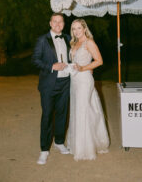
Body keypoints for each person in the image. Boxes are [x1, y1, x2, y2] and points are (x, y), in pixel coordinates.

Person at [67, 19, 109, 160]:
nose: (77, 31)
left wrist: (84, 68)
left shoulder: (89, 42)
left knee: (83, 110)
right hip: (74, 81)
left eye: (79, 28)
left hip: (85, 80)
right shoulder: (73, 43)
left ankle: (85, 148)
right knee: (77, 109)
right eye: (74, 29)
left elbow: (99, 61)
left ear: (84, 29)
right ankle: (77, 144)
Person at [32, 13, 71, 165]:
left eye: (60, 21)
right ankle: (44, 149)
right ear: (50, 23)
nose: (57, 24)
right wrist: (51, 66)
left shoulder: (68, 38)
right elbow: (35, 60)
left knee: (62, 113)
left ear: (63, 24)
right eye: (55, 21)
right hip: (49, 84)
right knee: (47, 115)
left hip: (66, 82)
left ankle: (59, 142)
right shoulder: (42, 40)